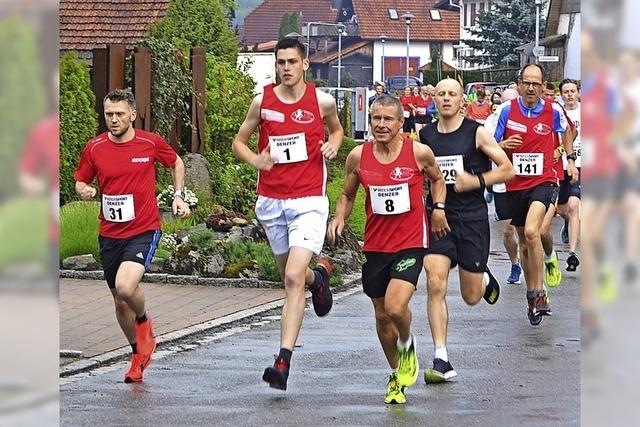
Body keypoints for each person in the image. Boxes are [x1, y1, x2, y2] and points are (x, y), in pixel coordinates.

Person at [231, 38, 344, 391]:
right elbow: (239, 142)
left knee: (292, 278)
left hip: (309, 200)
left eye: (292, 62)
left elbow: (338, 130)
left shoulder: (322, 101)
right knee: (292, 276)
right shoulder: (262, 101)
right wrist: (255, 159)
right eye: (280, 62)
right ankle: (319, 280)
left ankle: (282, 361)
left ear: (305, 64)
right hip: (272, 200)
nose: (285, 68)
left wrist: (333, 144)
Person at [327, 94, 447, 404]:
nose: (381, 125)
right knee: (382, 316)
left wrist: (439, 208)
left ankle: (407, 344)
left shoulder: (418, 152)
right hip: (376, 244)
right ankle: (396, 374)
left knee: (395, 307)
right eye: (375, 119)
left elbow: (437, 180)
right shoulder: (358, 156)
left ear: (400, 122)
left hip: (410, 242)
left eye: (387, 119)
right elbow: (347, 195)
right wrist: (339, 216)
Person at [73, 88, 191, 383]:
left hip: (143, 229)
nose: (113, 120)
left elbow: (176, 162)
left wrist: (178, 196)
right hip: (109, 232)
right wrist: (83, 190)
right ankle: (138, 353)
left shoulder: (149, 143)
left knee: (126, 287)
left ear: (133, 115)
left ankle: (144, 322)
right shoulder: (95, 147)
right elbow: (80, 179)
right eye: (109, 114)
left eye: (119, 114)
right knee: (118, 300)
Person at [419, 78, 514, 382]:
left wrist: (476, 181)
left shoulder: (476, 132)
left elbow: (507, 169)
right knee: (435, 281)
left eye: (452, 95)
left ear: (462, 100)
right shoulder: (425, 135)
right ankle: (441, 358)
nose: (446, 99)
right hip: (437, 219)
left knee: (471, 296)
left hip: (471, 218)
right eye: (441, 94)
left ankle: (483, 277)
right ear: (434, 99)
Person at [493, 64, 578, 325]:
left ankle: (539, 292)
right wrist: (502, 146)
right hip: (514, 184)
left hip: (544, 180)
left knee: (533, 232)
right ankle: (533, 295)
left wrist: (569, 158)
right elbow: (489, 144)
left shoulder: (553, 110)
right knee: (525, 242)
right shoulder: (506, 110)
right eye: (526, 82)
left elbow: (568, 130)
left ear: (543, 87)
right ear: (519, 84)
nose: (531, 87)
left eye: (536, 83)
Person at [485, 88, 522, 285]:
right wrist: (503, 144)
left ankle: (533, 266)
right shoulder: (492, 120)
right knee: (508, 231)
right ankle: (515, 263)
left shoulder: (528, 115)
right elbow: (485, 147)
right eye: (502, 102)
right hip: (503, 184)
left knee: (528, 231)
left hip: (525, 181)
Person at [557, 79, 581, 271]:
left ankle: (572, 253)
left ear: (578, 92)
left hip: (583, 165)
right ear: (561, 94)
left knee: (574, 206)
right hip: (562, 165)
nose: (570, 95)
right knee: (562, 208)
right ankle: (567, 223)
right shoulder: (557, 112)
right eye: (566, 91)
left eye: (573, 91)